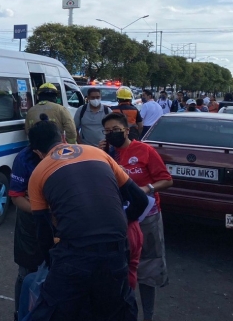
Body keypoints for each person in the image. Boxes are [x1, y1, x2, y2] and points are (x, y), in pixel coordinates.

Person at [24, 119, 149, 320]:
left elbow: (43, 230)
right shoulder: (98, 154)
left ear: (37, 152)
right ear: (63, 138)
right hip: (115, 250)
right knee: (116, 310)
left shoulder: (39, 173)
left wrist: (52, 264)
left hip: (75, 254)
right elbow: (140, 200)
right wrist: (117, 224)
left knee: (50, 311)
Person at [101, 112, 173, 321]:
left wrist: (146, 188)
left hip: (147, 217)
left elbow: (166, 180)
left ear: (126, 130)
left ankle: (147, 315)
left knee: (148, 268)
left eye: (115, 130)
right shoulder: (108, 154)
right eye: (107, 131)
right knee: (121, 266)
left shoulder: (145, 151)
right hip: (120, 219)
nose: (111, 134)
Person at [9, 131, 51, 321]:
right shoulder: (23, 159)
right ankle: (21, 314)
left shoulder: (66, 152)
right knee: (26, 273)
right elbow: (16, 197)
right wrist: (40, 210)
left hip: (57, 220)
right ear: (35, 150)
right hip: (30, 221)